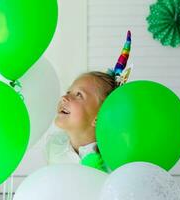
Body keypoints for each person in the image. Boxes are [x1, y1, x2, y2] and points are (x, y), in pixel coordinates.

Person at [45, 31, 132, 173]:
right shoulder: (53, 147)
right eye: (68, 92)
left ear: (98, 118)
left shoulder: (113, 160)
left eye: (79, 95)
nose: (65, 98)